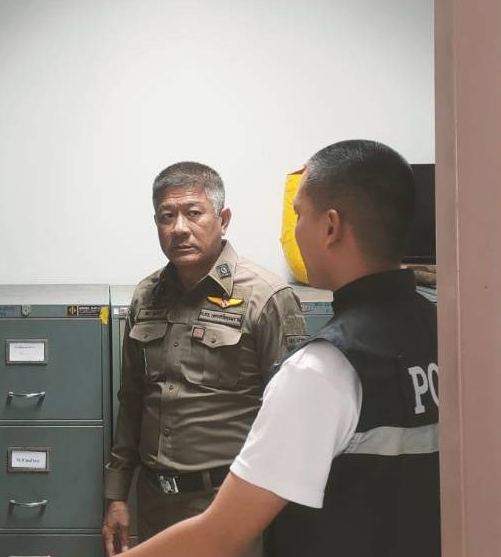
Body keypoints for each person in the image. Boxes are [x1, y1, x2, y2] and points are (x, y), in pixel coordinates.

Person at [120, 140, 440, 557]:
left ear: (330, 227)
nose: (293, 232)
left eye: (298, 215)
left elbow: (223, 532)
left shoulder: (323, 368)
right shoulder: (441, 330)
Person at [104, 162, 307, 557]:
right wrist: (116, 496)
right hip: (155, 503)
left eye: (193, 213)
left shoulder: (266, 297)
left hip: (229, 507)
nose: (179, 228)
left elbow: (292, 421)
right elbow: (131, 401)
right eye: (167, 216)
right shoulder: (146, 296)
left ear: (223, 219)